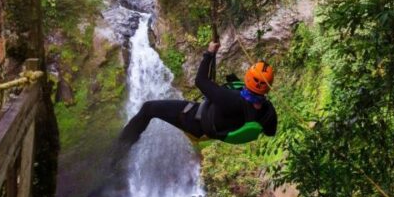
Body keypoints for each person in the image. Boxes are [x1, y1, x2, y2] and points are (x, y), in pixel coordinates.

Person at [116, 41, 277, 147]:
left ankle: (122, 145)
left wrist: (209, 53)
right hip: (219, 128)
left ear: (248, 78)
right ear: (268, 87)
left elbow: (200, 80)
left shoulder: (229, 99)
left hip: (195, 121)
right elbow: (270, 132)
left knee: (149, 108)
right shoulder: (269, 112)